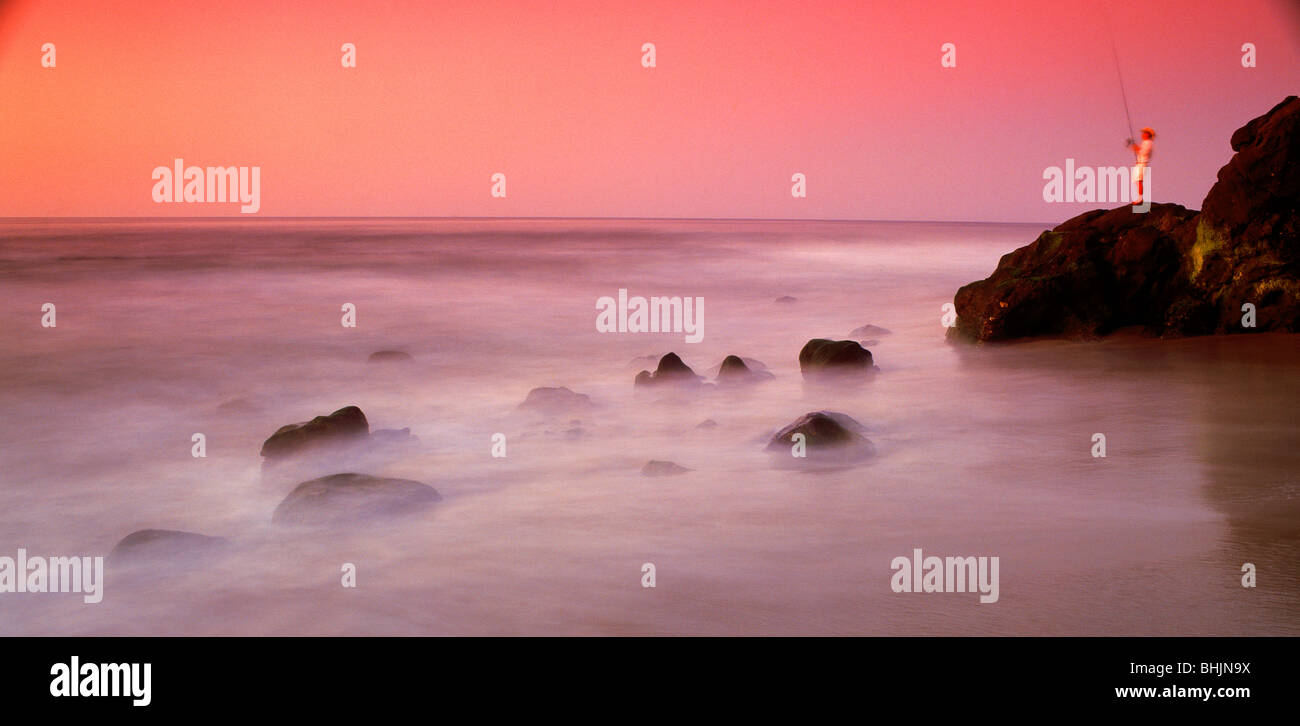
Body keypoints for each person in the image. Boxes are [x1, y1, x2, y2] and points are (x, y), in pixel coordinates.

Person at [1126, 127, 1155, 204]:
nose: (1143, 134)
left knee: (1139, 181)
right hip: (1139, 164)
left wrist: (1134, 146)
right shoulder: (1145, 143)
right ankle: (1139, 198)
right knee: (1136, 180)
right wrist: (1134, 146)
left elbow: (1143, 152)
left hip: (1142, 164)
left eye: (1145, 133)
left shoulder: (1149, 143)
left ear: (1148, 135)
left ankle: (1140, 199)